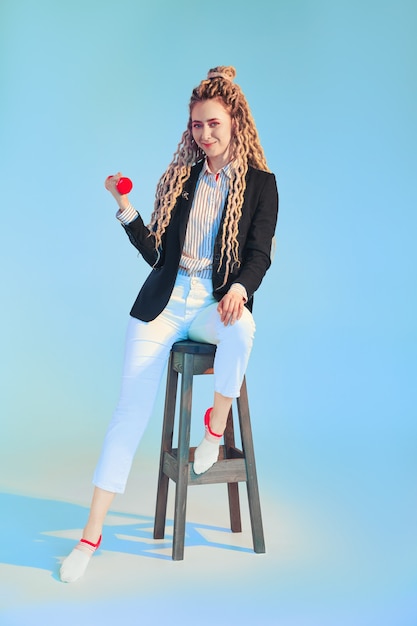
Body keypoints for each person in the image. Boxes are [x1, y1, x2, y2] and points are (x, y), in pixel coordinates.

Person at [59, 65, 278, 583]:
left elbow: (259, 254)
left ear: (235, 121)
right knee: (128, 412)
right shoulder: (181, 179)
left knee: (244, 328)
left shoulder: (262, 186)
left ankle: (213, 429)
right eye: (197, 125)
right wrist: (124, 206)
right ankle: (91, 535)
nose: (204, 134)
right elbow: (156, 252)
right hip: (164, 303)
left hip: (212, 304)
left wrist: (241, 289)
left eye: (213, 123)